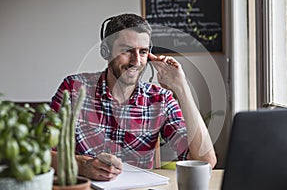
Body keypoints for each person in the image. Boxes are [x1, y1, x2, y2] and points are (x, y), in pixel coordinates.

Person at [50, 13, 217, 181]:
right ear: (105, 51)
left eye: (143, 52)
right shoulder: (73, 89)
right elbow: (41, 154)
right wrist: (82, 165)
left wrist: (181, 88)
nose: (136, 61)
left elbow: (205, 161)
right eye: (127, 51)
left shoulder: (160, 99)